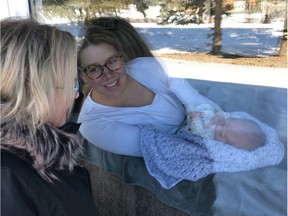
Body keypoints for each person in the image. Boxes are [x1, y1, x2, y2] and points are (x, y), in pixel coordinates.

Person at [77, 16, 221, 157]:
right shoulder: (92, 123)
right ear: (83, 75)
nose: (108, 74)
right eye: (94, 69)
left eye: (112, 61)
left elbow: (197, 102)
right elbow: (160, 148)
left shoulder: (146, 68)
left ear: (121, 57)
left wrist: (225, 124)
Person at [1, 18, 96, 215]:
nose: (76, 94)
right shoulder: (7, 178)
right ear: (34, 91)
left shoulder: (41, 157)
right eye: (71, 84)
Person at [177, 103, 265, 150]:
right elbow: (228, 115)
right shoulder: (233, 120)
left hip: (186, 122)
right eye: (224, 123)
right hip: (199, 109)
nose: (218, 127)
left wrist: (196, 119)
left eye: (222, 134)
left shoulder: (210, 139)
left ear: (227, 145)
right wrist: (220, 116)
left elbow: (197, 134)